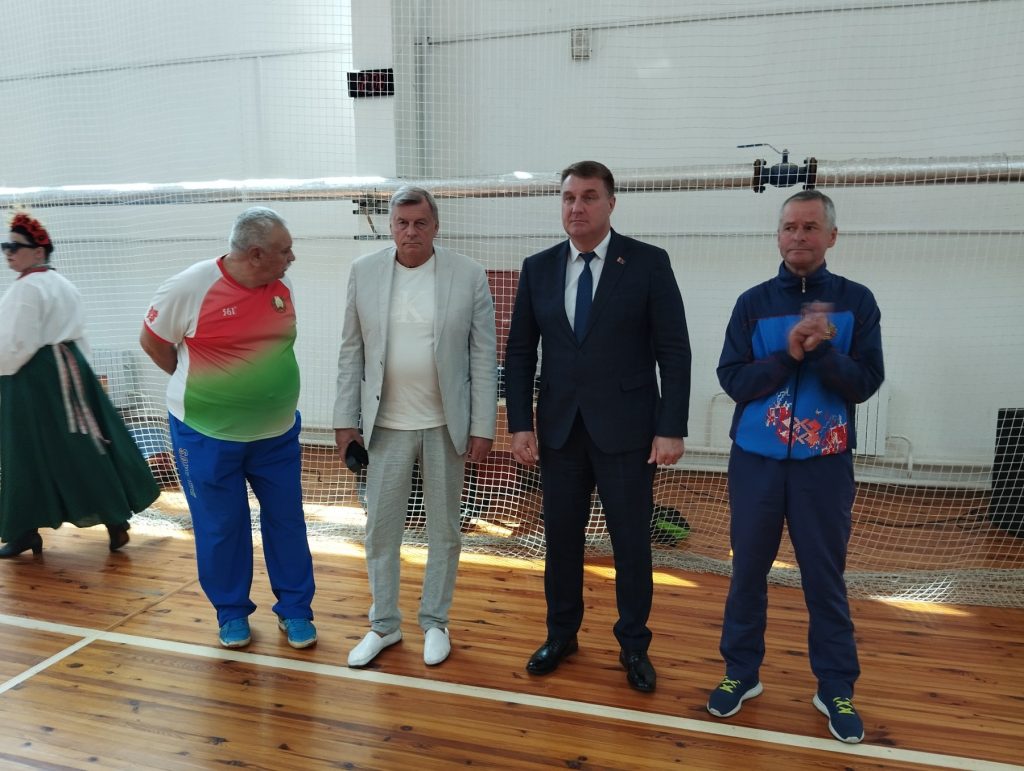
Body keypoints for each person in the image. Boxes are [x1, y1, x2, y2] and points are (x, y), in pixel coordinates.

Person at [504, 161, 691, 693]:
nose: (577, 207)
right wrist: (520, 424)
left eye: (589, 197)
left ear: (611, 203)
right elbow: (520, 353)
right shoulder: (538, 268)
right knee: (561, 541)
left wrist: (670, 426)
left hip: (629, 432)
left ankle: (633, 644)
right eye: (568, 197)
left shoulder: (648, 263)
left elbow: (674, 351)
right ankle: (561, 634)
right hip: (559, 432)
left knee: (630, 544)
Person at [706, 190, 884, 744]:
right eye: (789, 227)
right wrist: (787, 354)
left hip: (823, 466)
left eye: (810, 227)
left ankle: (835, 687)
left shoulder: (857, 302)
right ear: (778, 236)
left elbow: (866, 383)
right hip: (755, 463)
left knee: (824, 579)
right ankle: (741, 672)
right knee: (747, 572)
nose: (798, 236)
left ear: (831, 236)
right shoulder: (752, 303)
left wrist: (824, 350)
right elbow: (733, 380)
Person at [334, 185, 497, 668]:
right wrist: (344, 421)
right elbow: (351, 351)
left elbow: (483, 356)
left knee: (445, 530)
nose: (411, 232)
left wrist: (483, 425)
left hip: (446, 424)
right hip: (385, 425)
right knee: (381, 530)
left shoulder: (468, 275)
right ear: (390, 226)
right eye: (402, 223)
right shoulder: (363, 272)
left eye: (420, 223)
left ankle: (435, 621)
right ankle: (384, 624)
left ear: (436, 226)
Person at [140, 207, 317, 650]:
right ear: (255, 254)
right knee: (220, 526)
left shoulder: (282, 286)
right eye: (284, 250)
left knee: (288, 521)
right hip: (205, 437)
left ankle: (295, 610)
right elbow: (153, 342)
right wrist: (203, 386)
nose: (292, 257)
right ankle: (231, 612)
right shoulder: (190, 287)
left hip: (276, 436)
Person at [0, 210, 159, 557]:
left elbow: (14, 345)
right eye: (5, 247)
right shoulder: (63, 283)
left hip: (32, 377)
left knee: (25, 450)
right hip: (72, 371)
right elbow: (80, 337)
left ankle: (25, 530)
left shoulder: (27, 289)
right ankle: (113, 519)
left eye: (15, 246)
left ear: (38, 252)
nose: (8, 252)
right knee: (84, 445)